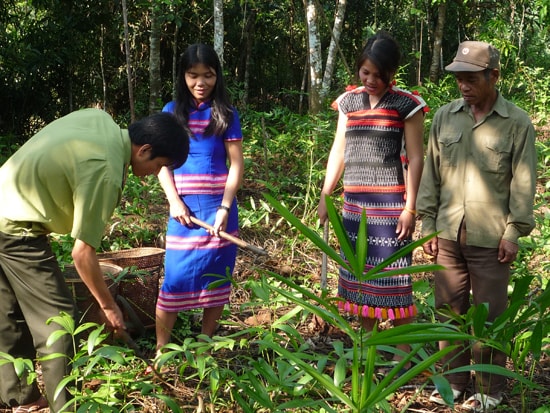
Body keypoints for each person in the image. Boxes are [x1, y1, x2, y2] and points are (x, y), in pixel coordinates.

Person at [0, 108, 189, 413]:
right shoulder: (107, 171)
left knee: (8, 312)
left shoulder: (99, 119)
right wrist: (108, 305)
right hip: (17, 230)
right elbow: (82, 253)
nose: (156, 173)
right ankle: (67, 406)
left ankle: (19, 396)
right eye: (159, 165)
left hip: (3, 202)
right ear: (145, 150)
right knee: (60, 323)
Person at [417, 41, 537, 412]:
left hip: (491, 237)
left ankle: (489, 388)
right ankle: (452, 384)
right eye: (459, 80)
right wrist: (426, 223)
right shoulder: (445, 117)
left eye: (471, 79)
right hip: (448, 232)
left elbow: (523, 180)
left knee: (489, 315)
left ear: (493, 76)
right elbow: (431, 173)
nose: (463, 87)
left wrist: (514, 232)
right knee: (447, 311)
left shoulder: (516, 122)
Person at [318, 31, 427, 372]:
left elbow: (416, 157)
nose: (371, 80)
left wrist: (410, 207)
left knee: (394, 281)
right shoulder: (348, 102)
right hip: (354, 206)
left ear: (392, 73)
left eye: (378, 75)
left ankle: (402, 355)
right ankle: (366, 351)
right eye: (365, 73)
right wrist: (326, 194)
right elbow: (339, 151)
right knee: (359, 278)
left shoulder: (406, 105)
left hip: (390, 208)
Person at [154, 44, 244, 355]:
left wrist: (224, 208)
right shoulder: (171, 111)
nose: (200, 83)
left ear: (217, 76)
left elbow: (236, 166)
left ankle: (205, 345)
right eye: (193, 76)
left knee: (216, 278)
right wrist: (174, 201)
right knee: (175, 279)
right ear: (183, 76)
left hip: (220, 212)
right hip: (183, 213)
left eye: (208, 75)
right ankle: (161, 350)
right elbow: (161, 164)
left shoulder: (227, 114)